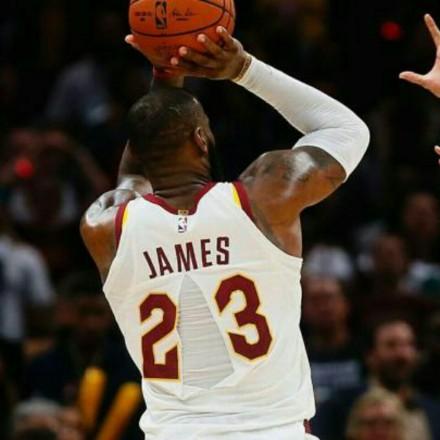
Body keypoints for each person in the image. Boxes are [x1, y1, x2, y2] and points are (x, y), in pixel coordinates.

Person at [81, 26, 370, 440]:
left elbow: (132, 175)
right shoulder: (264, 197)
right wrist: (242, 69)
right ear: (202, 140)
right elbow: (347, 131)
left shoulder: (105, 225)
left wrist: (165, 76)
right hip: (273, 432)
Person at [313, 318, 440, 440]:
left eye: (408, 345)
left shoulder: (432, 410)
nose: (401, 354)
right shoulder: (339, 405)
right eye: (391, 345)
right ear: (370, 356)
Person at [302, 277, 362, 405]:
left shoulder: (365, 350)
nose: (323, 307)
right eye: (315, 301)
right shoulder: (294, 353)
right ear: (303, 309)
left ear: (346, 304)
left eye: (329, 299)